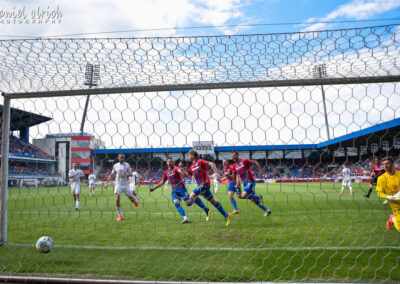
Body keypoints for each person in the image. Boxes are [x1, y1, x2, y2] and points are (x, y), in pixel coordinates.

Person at [182, 149, 231, 226]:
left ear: (193, 155)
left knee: (191, 196)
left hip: (205, 184)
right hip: (200, 186)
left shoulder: (200, 161)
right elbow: (186, 175)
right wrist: (181, 171)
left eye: (189, 155)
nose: (188, 157)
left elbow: (212, 164)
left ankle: (190, 203)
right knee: (213, 202)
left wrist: (217, 174)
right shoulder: (192, 166)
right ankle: (226, 215)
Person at [150, 158, 199, 224]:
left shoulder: (176, 168)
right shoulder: (166, 172)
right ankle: (185, 218)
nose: (171, 163)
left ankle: (193, 197)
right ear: (167, 163)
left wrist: (182, 171)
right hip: (174, 190)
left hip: (181, 188)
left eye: (172, 162)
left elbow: (181, 172)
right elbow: (162, 182)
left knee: (188, 204)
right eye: (170, 162)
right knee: (176, 203)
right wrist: (154, 188)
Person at [232, 152, 271, 217]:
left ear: (237, 155)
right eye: (232, 156)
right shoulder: (234, 166)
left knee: (244, 195)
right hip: (245, 183)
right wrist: (236, 183)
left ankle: (259, 197)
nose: (232, 157)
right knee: (253, 200)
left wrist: (260, 171)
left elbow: (255, 162)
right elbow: (235, 175)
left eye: (233, 156)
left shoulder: (244, 161)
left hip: (250, 181)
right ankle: (267, 211)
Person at [104, 153, 139, 221]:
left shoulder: (127, 165)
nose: (121, 158)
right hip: (118, 184)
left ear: (124, 158)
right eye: (120, 157)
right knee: (117, 198)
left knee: (131, 198)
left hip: (126, 184)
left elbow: (131, 174)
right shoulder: (115, 165)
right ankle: (120, 216)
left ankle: (134, 201)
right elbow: (111, 175)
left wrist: (127, 173)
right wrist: (106, 183)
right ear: (118, 158)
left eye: (123, 157)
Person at [375, 157, 400, 230]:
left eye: (387, 163)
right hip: (396, 205)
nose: (385, 166)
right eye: (383, 164)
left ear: (393, 164)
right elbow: (379, 193)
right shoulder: (381, 178)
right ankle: (392, 218)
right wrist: (391, 197)